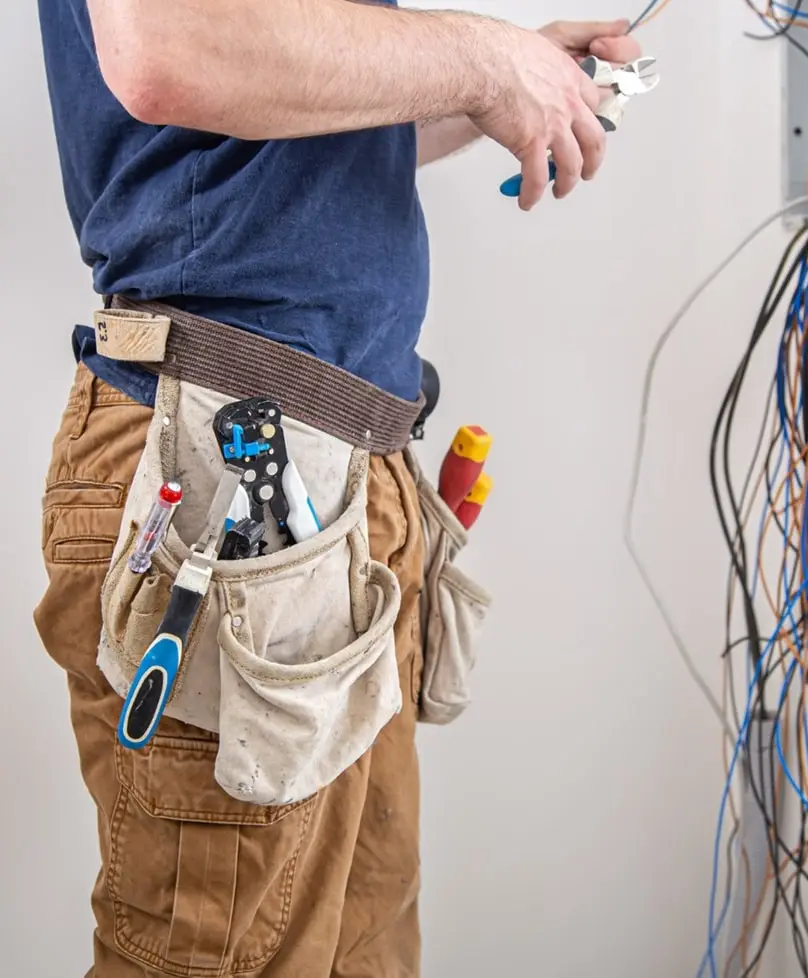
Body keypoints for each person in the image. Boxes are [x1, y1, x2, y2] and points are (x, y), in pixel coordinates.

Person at [34, 1, 642, 974]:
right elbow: (170, 51)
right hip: (219, 467)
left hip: (341, 474)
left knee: (356, 951)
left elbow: (299, 130)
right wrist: (484, 62)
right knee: (217, 951)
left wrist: (521, 75)